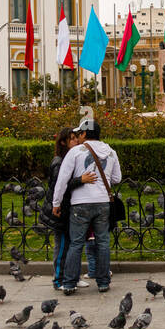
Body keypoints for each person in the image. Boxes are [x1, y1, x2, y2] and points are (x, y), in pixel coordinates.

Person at [53, 116, 121, 296]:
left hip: (80, 203)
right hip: (102, 202)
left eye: (79, 133)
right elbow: (117, 179)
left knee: (76, 243)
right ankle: (103, 282)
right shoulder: (111, 152)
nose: (78, 136)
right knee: (103, 243)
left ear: (85, 133)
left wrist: (56, 203)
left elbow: (62, 180)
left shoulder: (75, 152)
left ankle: (69, 284)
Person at [41, 127, 95, 290]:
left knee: (74, 244)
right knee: (63, 245)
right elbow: (61, 185)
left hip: (70, 209)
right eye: (72, 138)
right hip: (61, 211)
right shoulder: (59, 162)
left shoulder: (70, 159)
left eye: (76, 137)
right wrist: (81, 180)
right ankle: (59, 280)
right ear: (63, 142)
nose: (76, 141)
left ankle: (73, 275)